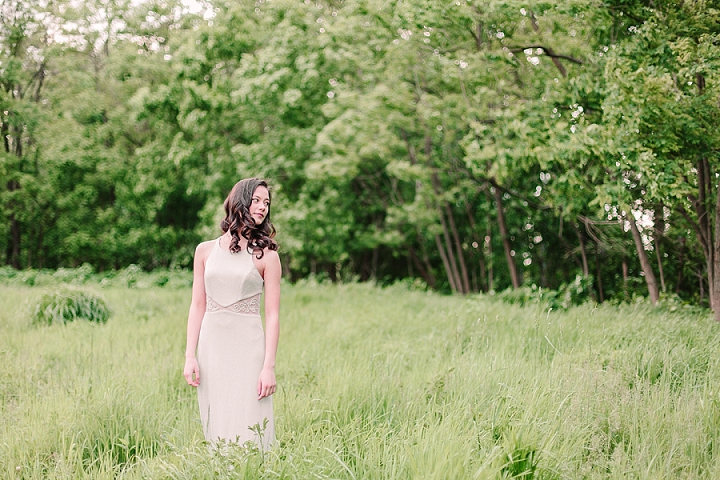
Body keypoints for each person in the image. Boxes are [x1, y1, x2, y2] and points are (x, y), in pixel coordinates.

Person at [183, 178, 281, 449]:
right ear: (239, 202)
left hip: (249, 350)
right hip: (212, 347)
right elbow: (197, 305)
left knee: (250, 419)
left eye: (267, 203)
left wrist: (268, 367)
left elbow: (272, 316)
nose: (262, 207)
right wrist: (190, 355)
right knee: (217, 419)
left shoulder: (267, 256)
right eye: (257, 200)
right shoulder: (204, 251)